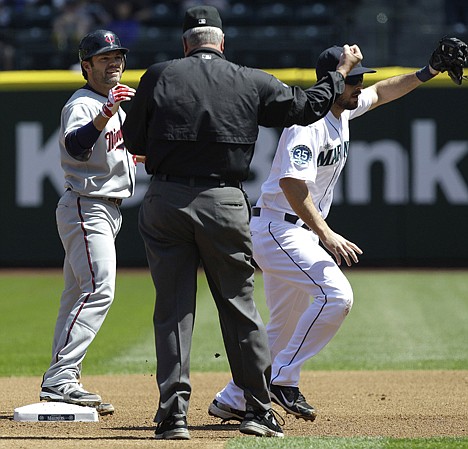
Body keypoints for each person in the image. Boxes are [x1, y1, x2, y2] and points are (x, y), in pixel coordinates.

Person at [122, 5, 361, 440]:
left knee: (173, 311)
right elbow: (309, 107)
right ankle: (257, 409)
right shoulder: (250, 79)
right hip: (224, 200)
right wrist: (340, 73)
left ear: (185, 44)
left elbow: (134, 139)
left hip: (166, 199)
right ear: (222, 43)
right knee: (238, 306)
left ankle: (173, 417)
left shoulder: (158, 75)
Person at [209, 44, 446, 422]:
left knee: (283, 328)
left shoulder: (343, 109)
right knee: (337, 297)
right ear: (332, 82)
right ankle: (283, 378)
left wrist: (427, 71)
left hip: (292, 230)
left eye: (358, 79)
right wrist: (326, 233)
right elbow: (291, 184)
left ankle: (234, 398)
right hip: (279, 228)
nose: (358, 86)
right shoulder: (308, 123)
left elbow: (383, 92)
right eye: (352, 79)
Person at [40, 29, 138, 416]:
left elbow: (122, 153)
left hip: (105, 209)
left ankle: (62, 379)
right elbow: (77, 146)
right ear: (86, 66)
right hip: (87, 205)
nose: (114, 62)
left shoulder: (114, 104)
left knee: (75, 296)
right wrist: (105, 113)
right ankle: (60, 377)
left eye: (117, 56)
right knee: (99, 289)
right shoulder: (83, 104)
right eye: (104, 58)